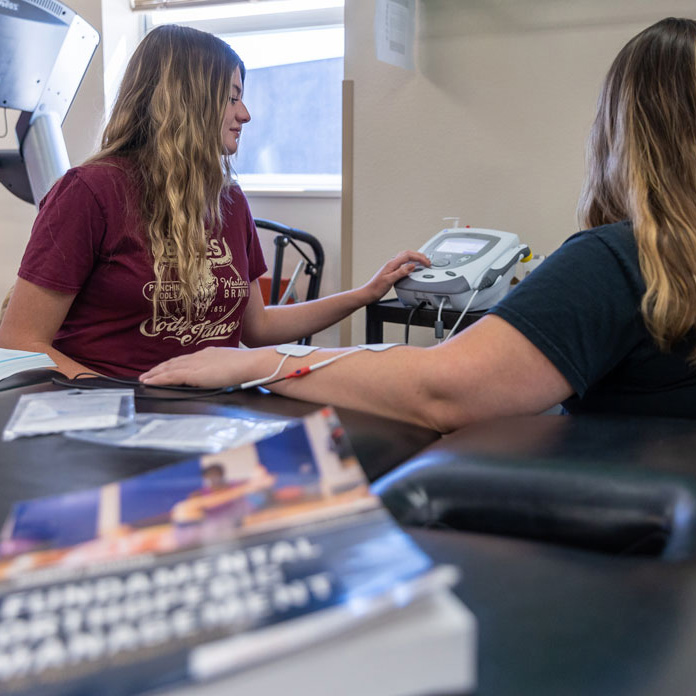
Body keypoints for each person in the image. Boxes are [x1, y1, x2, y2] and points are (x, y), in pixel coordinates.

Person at [141, 17, 696, 432]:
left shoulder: (619, 258)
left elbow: (438, 387)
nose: (246, 114)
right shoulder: (663, 260)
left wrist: (255, 364)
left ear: (621, 131)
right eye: (234, 98)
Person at [0, 25, 426, 378]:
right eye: (232, 96)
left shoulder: (229, 201)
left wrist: (366, 293)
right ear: (186, 99)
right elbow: (19, 340)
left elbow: (257, 327)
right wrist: (123, 401)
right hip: (109, 417)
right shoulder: (90, 192)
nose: (246, 114)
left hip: (206, 411)